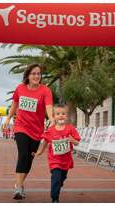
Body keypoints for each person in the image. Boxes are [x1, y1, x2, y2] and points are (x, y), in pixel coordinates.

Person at [5, 63, 54, 200]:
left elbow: (49, 106)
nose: (36, 76)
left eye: (39, 74)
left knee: (29, 159)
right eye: (33, 73)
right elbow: (14, 104)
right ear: (27, 75)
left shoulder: (45, 91)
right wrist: (8, 119)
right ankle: (19, 189)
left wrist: (51, 118)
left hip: (37, 130)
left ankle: (18, 184)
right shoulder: (20, 88)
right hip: (21, 126)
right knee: (23, 154)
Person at [33, 104, 80, 203]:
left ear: (66, 116)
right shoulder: (50, 130)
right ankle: (55, 198)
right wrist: (40, 151)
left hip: (66, 160)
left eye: (63, 113)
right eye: (58, 114)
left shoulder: (70, 129)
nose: (61, 115)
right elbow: (45, 141)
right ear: (54, 116)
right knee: (56, 177)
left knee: (62, 177)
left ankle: (58, 184)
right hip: (54, 160)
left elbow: (77, 142)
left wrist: (72, 140)